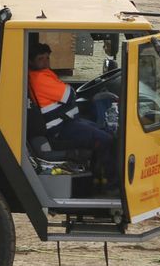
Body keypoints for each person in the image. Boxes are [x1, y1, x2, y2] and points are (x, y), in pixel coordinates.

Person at [30, 41, 117, 183]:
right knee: (106, 139)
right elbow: (69, 94)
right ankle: (111, 183)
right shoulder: (39, 78)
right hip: (60, 128)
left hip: (66, 122)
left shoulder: (42, 74)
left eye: (47, 58)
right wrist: (65, 87)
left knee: (104, 131)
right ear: (31, 61)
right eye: (40, 59)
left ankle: (97, 176)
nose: (45, 62)